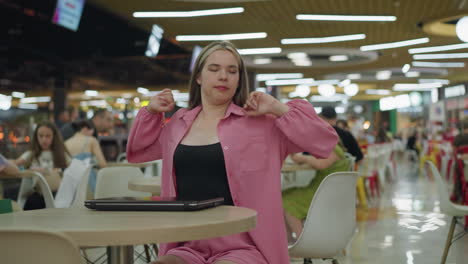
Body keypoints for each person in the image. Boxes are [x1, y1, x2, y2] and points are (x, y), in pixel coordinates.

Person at [126, 41, 338, 264]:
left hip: (245, 247)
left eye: (232, 71)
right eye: (214, 69)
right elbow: (137, 152)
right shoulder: (178, 123)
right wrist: (150, 112)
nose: (223, 76)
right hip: (187, 245)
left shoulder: (262, 123)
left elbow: (325, 143)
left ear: (239, 80)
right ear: (198, 77)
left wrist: (277, 108)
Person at [282, 141, 349, 240]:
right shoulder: (334, 148)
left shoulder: (333, 149)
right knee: (283, 195)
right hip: (324, 190)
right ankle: (289, 240)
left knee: (288, 202)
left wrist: (303, 158)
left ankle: (301, 241)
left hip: (322, 193)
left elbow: (321, 164)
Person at [15, 121, 71, 210]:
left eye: (48, 136)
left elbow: (73, 172)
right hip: (37, 196)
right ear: (36, 137)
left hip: (58, 195)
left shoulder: (62, 155)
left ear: (54, 137)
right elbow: (15, 164)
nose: (44, 140)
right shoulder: (30, 154)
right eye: (40, 136)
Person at [65, 119, 107, 194]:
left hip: (69, 183)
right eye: (92, 131)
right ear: (85, 129)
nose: (93, 134)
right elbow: (102, 164)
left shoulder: (66, 143)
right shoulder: (91, 140)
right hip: (88, 183)